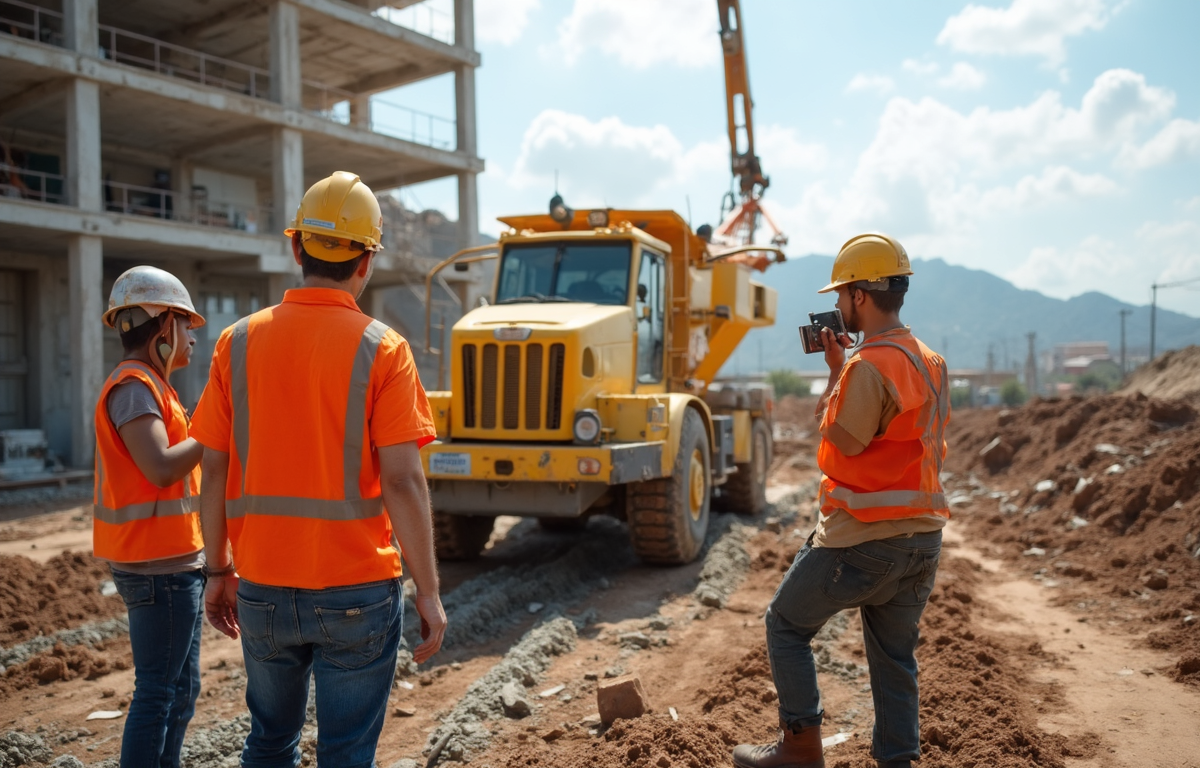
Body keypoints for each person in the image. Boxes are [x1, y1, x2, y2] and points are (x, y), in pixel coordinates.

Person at [191, 170, 447, 768]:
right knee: (346, 753)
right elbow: (404, 480)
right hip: (356, 591)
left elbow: (215, 466)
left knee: (269, 743)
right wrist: (429, 592)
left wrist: (217, 569)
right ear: (367, 261)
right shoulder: (384, 348)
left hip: (262, 586)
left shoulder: (237, 342)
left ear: (296, 247)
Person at [733, 233, 950, 768]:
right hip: (922, 537)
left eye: (841, 295)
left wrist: (838, 378)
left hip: (863, 536)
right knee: (895, 657)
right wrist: (838, 371)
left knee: (785, 625)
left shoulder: (868, 364)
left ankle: (801, 748)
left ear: (859, 296)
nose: (836, 307)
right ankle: (898, 759)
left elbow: (848, 440)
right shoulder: (929, 360)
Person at [93, 265, 208, 768]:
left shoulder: (154, 388)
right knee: (159, 693)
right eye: (187, 326)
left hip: (172, 564)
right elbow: (161, 467)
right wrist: (215, 431)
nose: (192, 340)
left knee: (181, 690)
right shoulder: (135, 388)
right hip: (157, 570)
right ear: (164, 327)